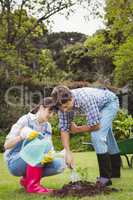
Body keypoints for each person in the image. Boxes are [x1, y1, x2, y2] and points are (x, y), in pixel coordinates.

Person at [51, 85, 121, 186]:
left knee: (97, 136)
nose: (64, 110)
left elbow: (96, 126)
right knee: (108, 137)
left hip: (109, 104)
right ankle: (115, 172)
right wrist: (67, 152)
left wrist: (77, 129)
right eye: (61, 108)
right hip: (99, 106)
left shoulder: (85, 99)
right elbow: (64, 129)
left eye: (66, 107)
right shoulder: (62, 104)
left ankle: (105, 178)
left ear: (72, 98)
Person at [4, 97, 66, 194]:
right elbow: (6, 145)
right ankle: (33, 187)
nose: (51, 115)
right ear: (41, 108)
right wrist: (21, 136)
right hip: (15, 160)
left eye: (54, 113)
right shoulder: (25, 120)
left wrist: (51, 155)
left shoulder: (47, 126)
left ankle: (27, 181)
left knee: (60, 164)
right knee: (39, 146)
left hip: (32, 159)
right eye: (49, 111)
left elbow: (49, 148)